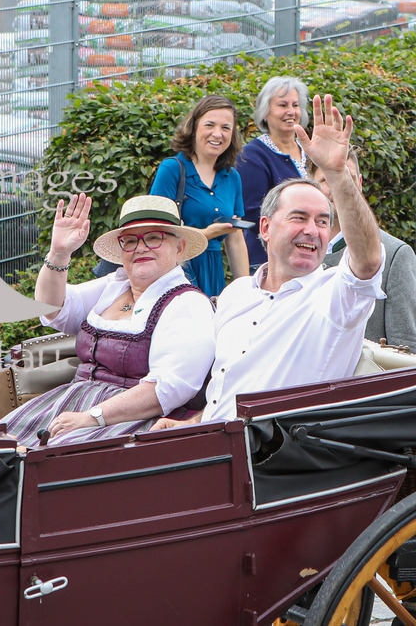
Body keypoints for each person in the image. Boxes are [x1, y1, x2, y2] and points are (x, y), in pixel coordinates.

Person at [153, 95, 383, 430]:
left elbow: (367, 260)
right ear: (265, 228)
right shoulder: (237, 294)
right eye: (299, 217)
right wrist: (189, 425)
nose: (313, 230)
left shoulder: (335, 296)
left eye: (322, 221)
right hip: (210, 442)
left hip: (273, 462)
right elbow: (226, 393)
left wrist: (337, 175)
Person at [3, 193, 215, 447]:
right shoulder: (114, 286)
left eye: (154, 237)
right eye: (130, 241)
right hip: (71, 404)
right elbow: (52, 308)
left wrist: (92, 417)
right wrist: (59, 253)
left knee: (37, 459)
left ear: (179, 247)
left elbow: (166, 390)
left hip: (132, 421)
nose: (141, 247)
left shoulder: (188, 304)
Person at [311, 147, 416, 350]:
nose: (337, 187)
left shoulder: (396, 254)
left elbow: (407, 346)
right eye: (326, 180)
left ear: (359, 183)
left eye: (345, 177)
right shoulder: (299, 249)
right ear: (313, 186)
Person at [150, 95, 249, 297]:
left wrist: (246, 292)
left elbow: (235, 238)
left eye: (226, 128)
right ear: (194, 127)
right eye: (210, 125)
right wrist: (205, 234)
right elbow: (155, 227)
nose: (217, 134)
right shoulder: (172, 169)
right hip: (174, 271)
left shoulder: (232, 177)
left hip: (213, 272)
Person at [236, 76, 311, 270]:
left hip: (310, 253)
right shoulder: (252, 156)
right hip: (269, 261)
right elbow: (253, 212)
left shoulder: (311, 150)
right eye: (282, 105)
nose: (291, 112)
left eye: (295, 105)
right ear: (265, 113)